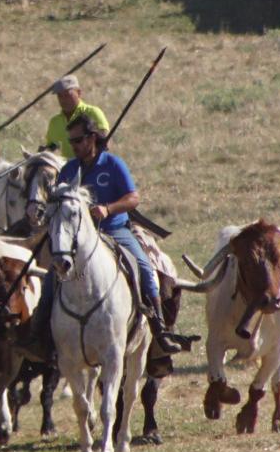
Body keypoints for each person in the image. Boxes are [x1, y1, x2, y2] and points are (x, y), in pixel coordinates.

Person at [49, 115, 188, 354]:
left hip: (114, 229)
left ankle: (159, 327)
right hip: (77, 237)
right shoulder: (69, 169)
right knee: (48, 273)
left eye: (79, 140)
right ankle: (42, 329)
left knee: (144, 266)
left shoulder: (113, 165)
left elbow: (133, 198)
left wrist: (108, 208)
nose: (75, 146)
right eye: (71, 142)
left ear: (92, 138)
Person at [42, 75, 110, 152]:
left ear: (79, 93)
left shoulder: (93, 113)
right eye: (60, 96)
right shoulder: (54, 122)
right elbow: (51, 148)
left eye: (68, 95)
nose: (64, 100)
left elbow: (105, 143)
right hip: (62, 164)